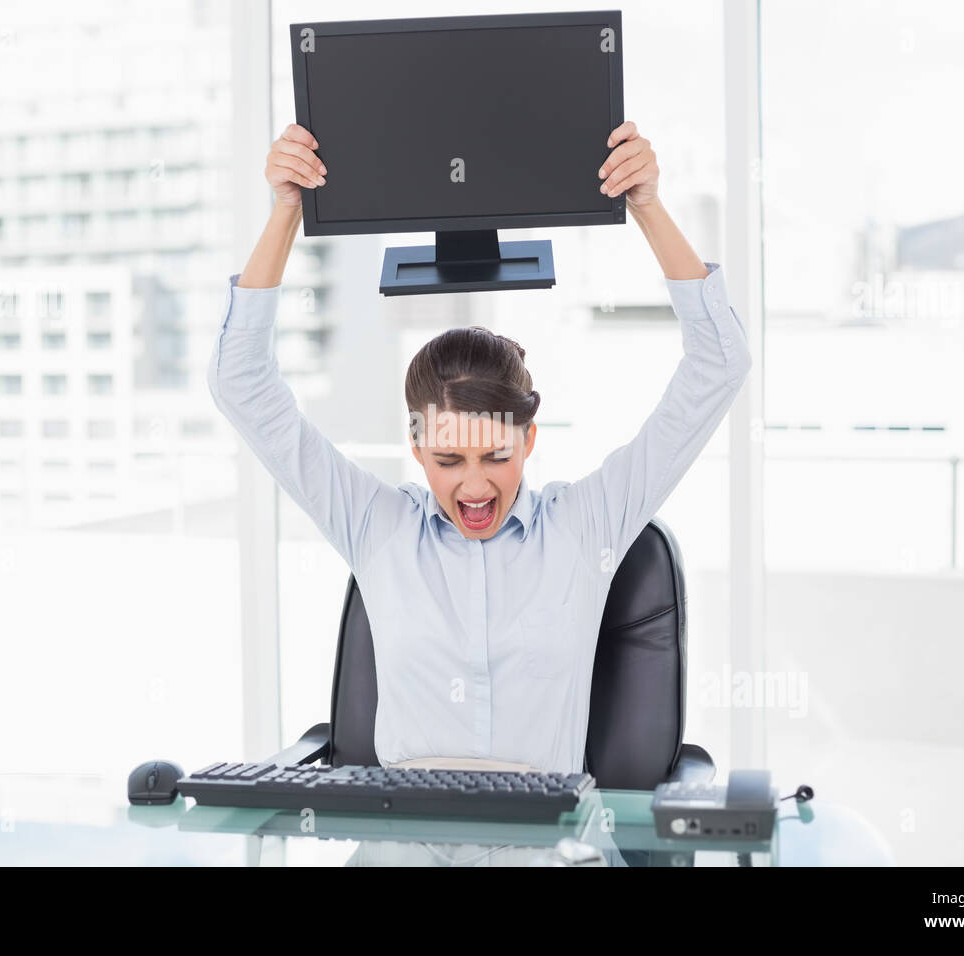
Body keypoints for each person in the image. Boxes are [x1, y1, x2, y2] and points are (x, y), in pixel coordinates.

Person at [207, 120, 752, 780]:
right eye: (448, 461)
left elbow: (719, 364)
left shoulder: (588, 526)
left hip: (550, 845)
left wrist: (647, 206)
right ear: (415, 448)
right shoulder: (378, 529)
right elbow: (242, 382)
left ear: (529, 436)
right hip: (404, 837)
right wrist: (286, 211)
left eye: (495, 456)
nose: (473, 487)